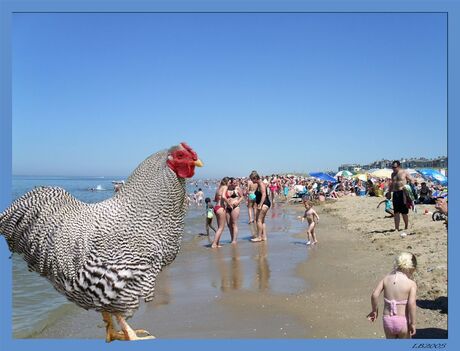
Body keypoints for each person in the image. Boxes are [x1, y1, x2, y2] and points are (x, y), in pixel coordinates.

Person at [367, 252, 417, 339]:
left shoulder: (386, 279)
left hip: (388, 320)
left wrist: (374, 311)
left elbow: (374, 295)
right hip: (403, 320)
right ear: (411, 269)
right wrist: (413, 323)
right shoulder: (411, 284)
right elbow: (411, 304)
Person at [389, 160, 413, 232]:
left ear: (399, 166)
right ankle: (397, 228)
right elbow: (392, 184)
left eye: (394, 167)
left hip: (403, 193)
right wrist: (389, 192)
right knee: (396, 211)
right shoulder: (392, 174)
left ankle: (406, 226)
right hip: (395, 193)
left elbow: (411, 179)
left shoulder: (404, 172)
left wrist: (408, 187)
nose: (393, 168)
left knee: (404, 212)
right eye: (392, 167)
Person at [249, 170, 271, 242]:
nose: (251, 181)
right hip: (265, 203)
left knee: (258, 220)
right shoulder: (259, 184)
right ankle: (264, 236)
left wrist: (260, 204)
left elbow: (264, 194)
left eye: (252, 179)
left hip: (264, 204)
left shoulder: (261, 184)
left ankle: (259, 237)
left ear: (255, 178)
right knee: (262, 221)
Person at [211, 177, 230, 248]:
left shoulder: (219, 188)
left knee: (219, 227)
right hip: (221, 208)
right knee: (221, 228)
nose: (229, 183)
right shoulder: (225, 187)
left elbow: (215, 199)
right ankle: (214, 244)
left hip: (216, 208)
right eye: (229, 182)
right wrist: (229, 204)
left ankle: (217, 243)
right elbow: (224, 196)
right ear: (227, 182)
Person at [225, 178, 244, 244]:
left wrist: (238, 202)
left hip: (235, 207)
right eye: (234, 183)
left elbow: (242, 196)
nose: (235, 184)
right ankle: (232, 238)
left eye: (236, 182)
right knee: (228, 224)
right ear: (230, 183)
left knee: (234, 223)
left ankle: (234, 240)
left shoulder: (237, 188)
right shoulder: (226, 189)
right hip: (227, 208)